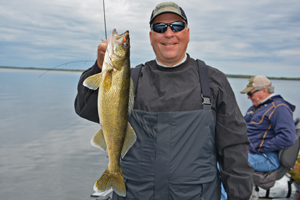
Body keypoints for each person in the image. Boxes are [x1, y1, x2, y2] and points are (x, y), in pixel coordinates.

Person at [74, 2, 253, 199]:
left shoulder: (213, 81)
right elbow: (85, 108)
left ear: (187, 33)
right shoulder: (130, 79)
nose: (169, 33)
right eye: (159, 28)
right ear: (151, 37)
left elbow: (233, 147)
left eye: (176, 26)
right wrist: (99, 68)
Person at [240, 75, 296, 172]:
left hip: (267, 157)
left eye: (250, 93)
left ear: (264, 90)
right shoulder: (256, 108)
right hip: (249, 151)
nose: (248, 97)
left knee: (225, 163)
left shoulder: (279, 107)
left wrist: (253, 148)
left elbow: (287, 137)